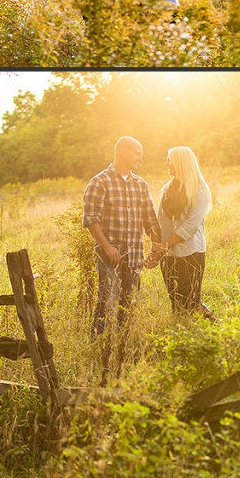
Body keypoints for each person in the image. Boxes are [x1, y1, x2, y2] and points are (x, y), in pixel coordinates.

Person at [82, 136, 161, 338]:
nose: (140, 159)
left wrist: (156, 245)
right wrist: (108, 247)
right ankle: (98, 346)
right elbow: (91, 220)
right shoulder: (99, 182)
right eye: (137, 153)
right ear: (124, 152)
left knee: (129, 305)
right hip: (110, 257)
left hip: (134, 257)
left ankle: (122, 348)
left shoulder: (140, 185)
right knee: (106, 302)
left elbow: (150, 219)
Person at [146, 146, 216, 322]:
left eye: (169, 159)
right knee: (176, 303)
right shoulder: (167, 189)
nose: (166, 163)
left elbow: (190, 225)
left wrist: (164, 244)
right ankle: (182, 338)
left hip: (192, 252)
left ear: (180, 162)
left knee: (192, 301)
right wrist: (157, 251)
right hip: (169, 255)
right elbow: (161, 221)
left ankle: (217, 329)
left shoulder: (199, 190)